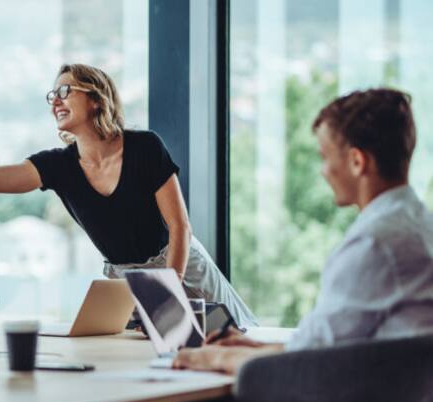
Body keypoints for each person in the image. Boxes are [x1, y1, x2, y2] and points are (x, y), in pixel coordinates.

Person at [0, 64, 257, 327]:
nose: (55, 101)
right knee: (149, 363)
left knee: (235, 338)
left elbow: (180, 227)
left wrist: (166, 290)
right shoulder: (58, 166)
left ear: (96, 98)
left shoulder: (145, 147)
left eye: (65, 91)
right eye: (52, 95)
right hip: (125, 283)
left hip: (180, 265)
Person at [173, 88, 433, 374]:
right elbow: (326, 344)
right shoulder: (419, 225)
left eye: (325, 157)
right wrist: (255, 347)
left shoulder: (375, 243)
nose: (323, 171)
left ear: (358, 162)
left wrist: (211, 358)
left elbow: (309, 362)